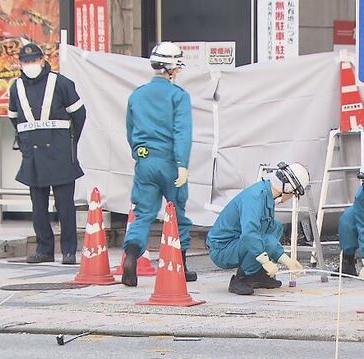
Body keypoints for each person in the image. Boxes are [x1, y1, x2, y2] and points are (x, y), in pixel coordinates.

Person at [121, 42, 196, 287]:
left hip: (145, 161)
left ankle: (131, 256)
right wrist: (182, 165)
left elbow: (131, 132)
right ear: (172, 68)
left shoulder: (137, 94)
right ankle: (181, 267)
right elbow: (182, 133)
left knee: (142, 214)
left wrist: (140, 154)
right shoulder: (179, 96)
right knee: (177, 215)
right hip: (170, 162)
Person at [8, 43, 86, 264]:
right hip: (32, 153)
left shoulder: (61, 82)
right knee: (38, 206)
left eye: (33, 61)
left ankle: (69, 250)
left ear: (43, 61)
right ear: (20, 64)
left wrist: (70, 141)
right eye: (25, 62)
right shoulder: (16, 87)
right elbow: (13, 118)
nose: (30, 65)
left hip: (59, 151)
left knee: (65, 205)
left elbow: (79, 115)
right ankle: (44, 249)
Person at [206, 162, 309, 296]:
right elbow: (250, 234)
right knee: (264, 240)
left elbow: (266, 230)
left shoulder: (266, 194)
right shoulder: (254, 197)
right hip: (222, 249)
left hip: (235, 242)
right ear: (288, 188)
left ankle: (257, 274)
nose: (291, 197)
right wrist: (265, 261)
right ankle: (242, 278)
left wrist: (286, 260)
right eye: (293, 194)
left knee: (275, 227)